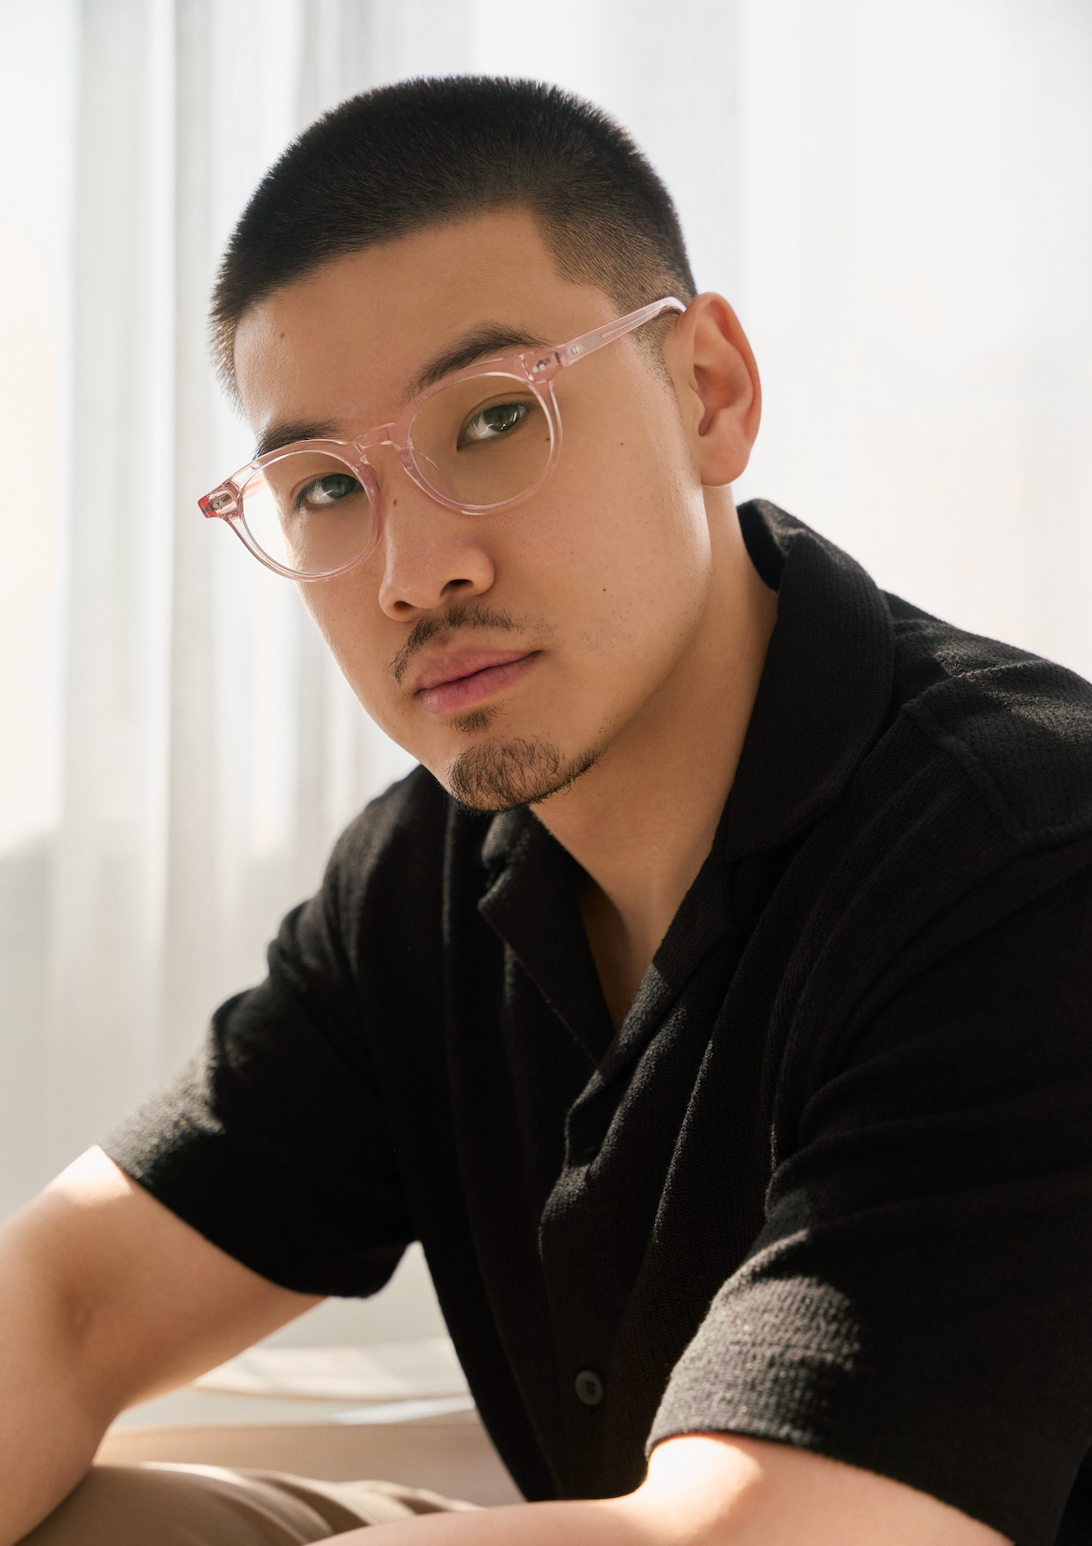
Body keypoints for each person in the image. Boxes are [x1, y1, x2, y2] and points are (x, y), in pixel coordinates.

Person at [3, 74, 1091, 1546]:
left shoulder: (1024, 848)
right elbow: (65, 1301)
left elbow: (747, 1536)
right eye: (324, 489)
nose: (413, 570)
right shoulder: (424, 878)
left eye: (496, 417)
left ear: (710, 389)